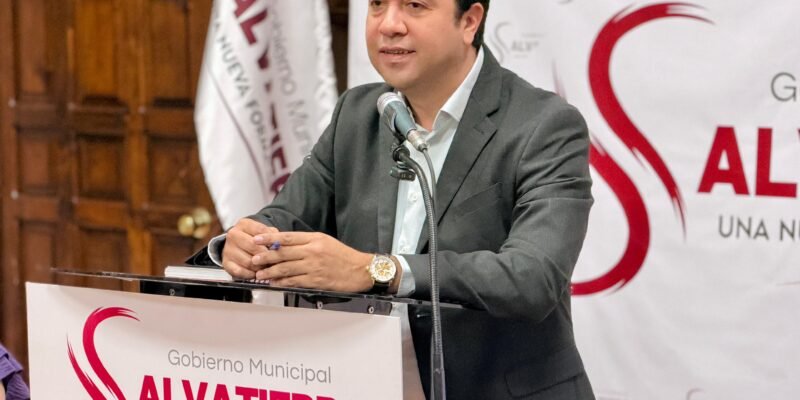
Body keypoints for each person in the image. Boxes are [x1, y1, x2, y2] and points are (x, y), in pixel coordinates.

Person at [209, 0, 595, 398]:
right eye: (377, 4)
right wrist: (245, 243)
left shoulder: (543, 125)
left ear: (469, 21)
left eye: (415, 5)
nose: (389, 25)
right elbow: (285, 217)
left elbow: (532, 278)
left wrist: (379, 271)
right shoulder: (357, 114)